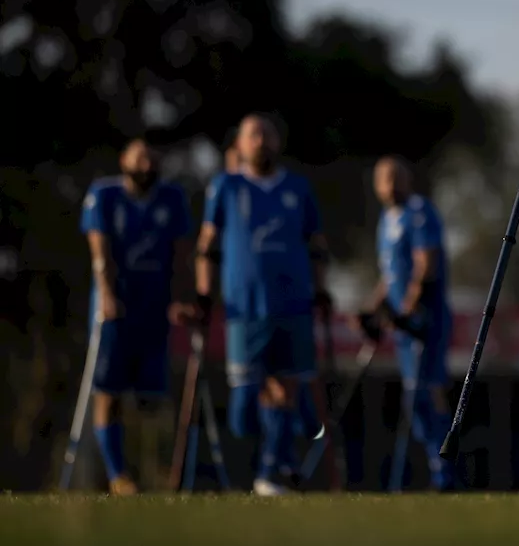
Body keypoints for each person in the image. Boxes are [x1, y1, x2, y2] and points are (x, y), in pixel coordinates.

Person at [194, 113, 332, 495]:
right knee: (243, 409)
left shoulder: (298, 188)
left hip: (292, 304)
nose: (262, 141)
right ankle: (279, 456)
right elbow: (207, 245)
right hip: (244, 309)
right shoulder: (225, 186)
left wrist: (321, 289)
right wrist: (204, 294)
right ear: (238, 145)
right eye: (253, 135)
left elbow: (316, 244)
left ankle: (270, 473)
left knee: (285, 386)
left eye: (268, 134)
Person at [79, 139, 194, 495]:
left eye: (152, 156)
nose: (146, 163)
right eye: (139, 156)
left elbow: (181, 255)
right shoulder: (104, 195)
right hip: (115, 309)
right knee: (108, 392)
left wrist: (181, 299)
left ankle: (159, 472)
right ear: (123, 159)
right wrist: (107, 295)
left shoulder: (172, 198)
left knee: (152, 397)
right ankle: (117, 476)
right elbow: (99, 251)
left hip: (153, 309)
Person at [361, 156, 455, 490]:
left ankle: (445, 468)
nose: (389, 184)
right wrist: (373, 310)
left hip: (426, 318)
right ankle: (435, 463)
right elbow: (390, 275)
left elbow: (424, 264)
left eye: (394, 177)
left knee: (428, 392)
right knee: (413, 397)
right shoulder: (386, 221)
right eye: (383, 178)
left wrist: (407, 308)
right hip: (402, 324)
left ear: (406, 179)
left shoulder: (419, 211)